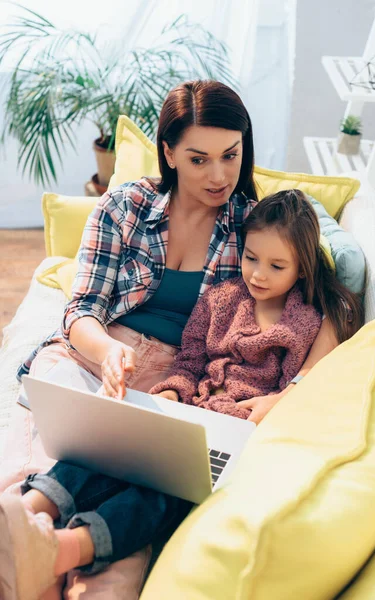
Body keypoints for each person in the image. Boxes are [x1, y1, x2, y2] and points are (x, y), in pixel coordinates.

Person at [0, 80, 353, 600]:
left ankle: (59, 568)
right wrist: (107, 352)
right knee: (39, 468)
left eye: (231, 155)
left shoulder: (252, 228)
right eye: (198, 159)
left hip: (176, 375)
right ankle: (24, 542)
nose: (218, 175)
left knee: (142, 495)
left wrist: (293, 386)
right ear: (168, 153)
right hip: (94, 352)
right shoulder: (124, 207)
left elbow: (327, 297)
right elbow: (80, 311)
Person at [151, 189, 363, 423]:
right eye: (251, 258)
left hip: (250, 423)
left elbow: (286, 393)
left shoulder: (304, 324)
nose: (258, 275)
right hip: (195, 412)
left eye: (277, 267)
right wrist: (172, 392)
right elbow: (190, 362)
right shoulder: (218, 299)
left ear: (302, 269)